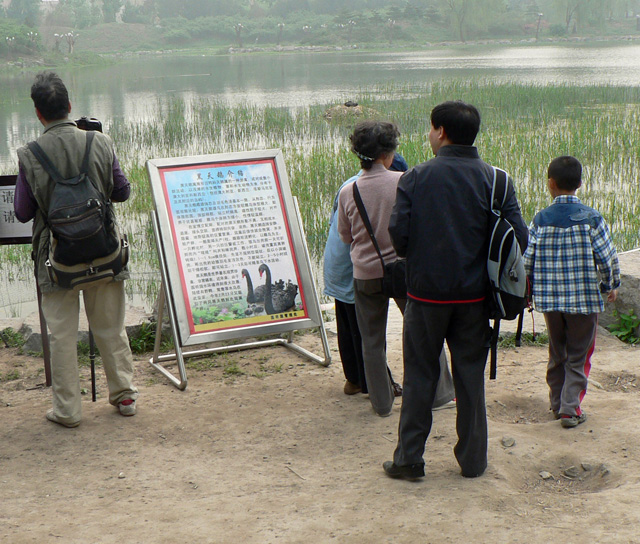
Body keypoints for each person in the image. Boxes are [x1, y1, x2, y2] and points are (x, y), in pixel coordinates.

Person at [383, 101, 528, 480]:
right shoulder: (498, 180)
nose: (429, 136)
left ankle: (409, 459)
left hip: (426, 299)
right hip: (476, 300)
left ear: (441, 132)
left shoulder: (414, 178)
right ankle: (473, 462)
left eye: (431, 129)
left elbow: (399, 238)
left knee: (419, 378)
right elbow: (519, 239)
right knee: (469, 379)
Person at [14, 71, 138, 428]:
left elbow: (22, 211)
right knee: (111, 328)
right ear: (69, 106)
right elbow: (122, 191)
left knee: (62, 336)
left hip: (57, 263)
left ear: (38, 113)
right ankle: (125, 395)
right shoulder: (100, 142)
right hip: (104, 253)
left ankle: (68, 411)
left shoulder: (29, 155)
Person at [337, 120, 454, 417]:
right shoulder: (406, 180)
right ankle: (440, 395)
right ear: (389, 154)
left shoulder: (348, 191)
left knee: (372, 341)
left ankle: (382, 404)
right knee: (425, 333)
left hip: (365, 274)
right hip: (405, 271)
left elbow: (346, 236)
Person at [523, 156, 620, 429]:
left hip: (550, 302)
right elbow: (606, 255)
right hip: (583, 301)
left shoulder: (540, 219)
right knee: (579, 354)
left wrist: (527, 293)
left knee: (557, 352)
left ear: (550, 184)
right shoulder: (591, 218)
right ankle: (570, 409)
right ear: (580, 184)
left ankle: (557, 404)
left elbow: (527, 260)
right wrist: (610, 284)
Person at [323, 153, 407, 398]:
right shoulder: (391, 186)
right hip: (355, 267)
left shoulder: (350, 185)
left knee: (349, 325)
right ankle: (376, 386)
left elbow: (342, 230)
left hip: (338, 265)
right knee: (367, 330)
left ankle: (354, 381)